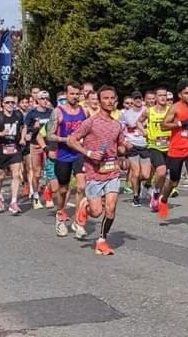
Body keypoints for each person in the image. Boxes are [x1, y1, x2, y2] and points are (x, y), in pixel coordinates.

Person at [67, 86, 128, 254]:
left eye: (112, 98)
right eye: (106, 98)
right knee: (96, 212)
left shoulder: (117, 125)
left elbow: (121, 145)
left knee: (111, 207)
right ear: (100, 101)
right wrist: (89, 153)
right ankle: (84, 208)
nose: (109, 101)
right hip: (94, 173)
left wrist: (125, 151)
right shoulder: (90, 122)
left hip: (113, 172)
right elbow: (72, 140)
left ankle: (102, 240)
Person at [158, 80, 188, 230]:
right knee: (173, 181)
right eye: (186, 93)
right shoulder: (175, 108)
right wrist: (180, 124)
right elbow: (163, 125)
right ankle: (163, 199)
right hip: (177, 149)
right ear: (180, 95)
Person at [43, 82, 87, 237]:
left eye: (77, 94)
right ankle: (60, 216)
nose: (74, 97)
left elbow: (88, 130)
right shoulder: (58, 112)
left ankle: (78, 221)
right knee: (63, 190)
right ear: (66, 95)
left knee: (82, 186)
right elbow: (49, 134)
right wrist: (64, 139)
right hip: (63, 154)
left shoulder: (84, 111)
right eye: (72, 94)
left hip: (79, 154)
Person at [0, 93, 26, 214]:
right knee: (1, 176)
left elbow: (23, 127)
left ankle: (13, 202)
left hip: (15, 148)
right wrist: (0, 134)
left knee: (16, 174)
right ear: (3, 104)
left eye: (12, 103)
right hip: (1, 148)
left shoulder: (19, 114)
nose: (10, 105)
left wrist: (23, 138)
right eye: (7, 102)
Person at [140, 87, 171, 212]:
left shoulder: (171, 111)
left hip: (169, 146)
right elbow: (138, 122)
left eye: (165, 95)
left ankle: (156, 192)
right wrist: (144, 131)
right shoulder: (149, 111)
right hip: (154, 145)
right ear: (156, 97)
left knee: (164, 175)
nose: (163, 98)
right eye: (160, 95)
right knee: (162, 171)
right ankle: (156, 194)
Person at [24, 91, 54, 209]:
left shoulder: (52, 112)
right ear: (37, 100)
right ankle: (36, 196)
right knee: (37, 172)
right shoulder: (31, 113)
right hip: (35, 145)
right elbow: (26, 128)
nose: (45, 101)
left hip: (49, 144)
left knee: (49, 172)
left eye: (47, 98)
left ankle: (48, 196)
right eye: (42, 98)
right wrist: (33, 128)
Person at [120, 91, 150, 207]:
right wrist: (125, 142)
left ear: (142, 99)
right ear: (132, 101)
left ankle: (143, 186)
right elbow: (120, 129)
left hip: (145, 145)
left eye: (139, 98)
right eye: (135, 99)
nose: (138, 101)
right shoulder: (126, 114)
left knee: (146, 175)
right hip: (132, 144)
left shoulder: (147, 111)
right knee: (136, 173)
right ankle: (136, 196)